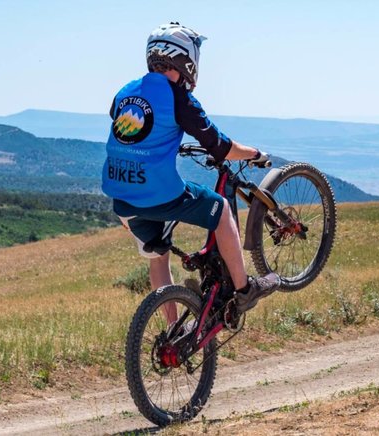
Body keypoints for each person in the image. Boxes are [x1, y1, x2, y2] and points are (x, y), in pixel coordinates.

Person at [102, 22, 279, 321]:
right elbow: (221, 147)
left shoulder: (125, 91)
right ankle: (244, 289)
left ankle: (173, 330)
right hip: (159, 196)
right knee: (221, 209)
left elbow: (133, 132)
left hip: (122, 202)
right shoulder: (179, 98)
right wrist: (254, 154)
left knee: (159, 259)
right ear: (187, 60)